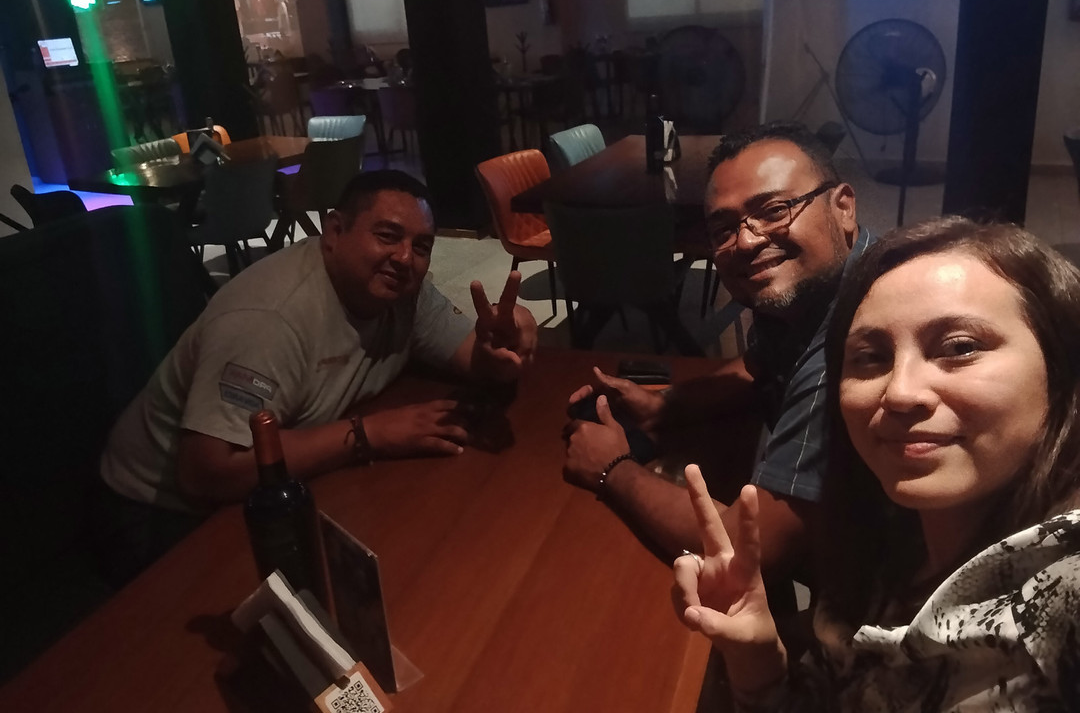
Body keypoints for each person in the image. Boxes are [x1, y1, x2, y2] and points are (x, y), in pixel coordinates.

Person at [673, 216, 1080, 710]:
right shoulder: (882, 544)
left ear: (1062, 370)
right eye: (870, 357)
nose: (900, 392)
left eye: (960, 347)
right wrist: (756, 664)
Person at [96, 170, 538, 584]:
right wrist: (369, 434)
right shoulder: (269, 320)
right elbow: (207, 472)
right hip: (162, 512)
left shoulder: (404, 292)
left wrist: (499, 352)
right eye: (387, 236)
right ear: (334, 232)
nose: (405, 258)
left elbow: (473, 357)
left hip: (280, 477)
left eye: (421, 246)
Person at [563, 121, 869, 577]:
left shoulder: (857, 347)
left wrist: (612, 468)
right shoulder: (810, 288)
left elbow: (749, 551)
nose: (746, 241)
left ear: (843, 206)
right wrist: (664, 406)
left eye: (775, 210)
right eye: (723, 229)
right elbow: (759, 366)